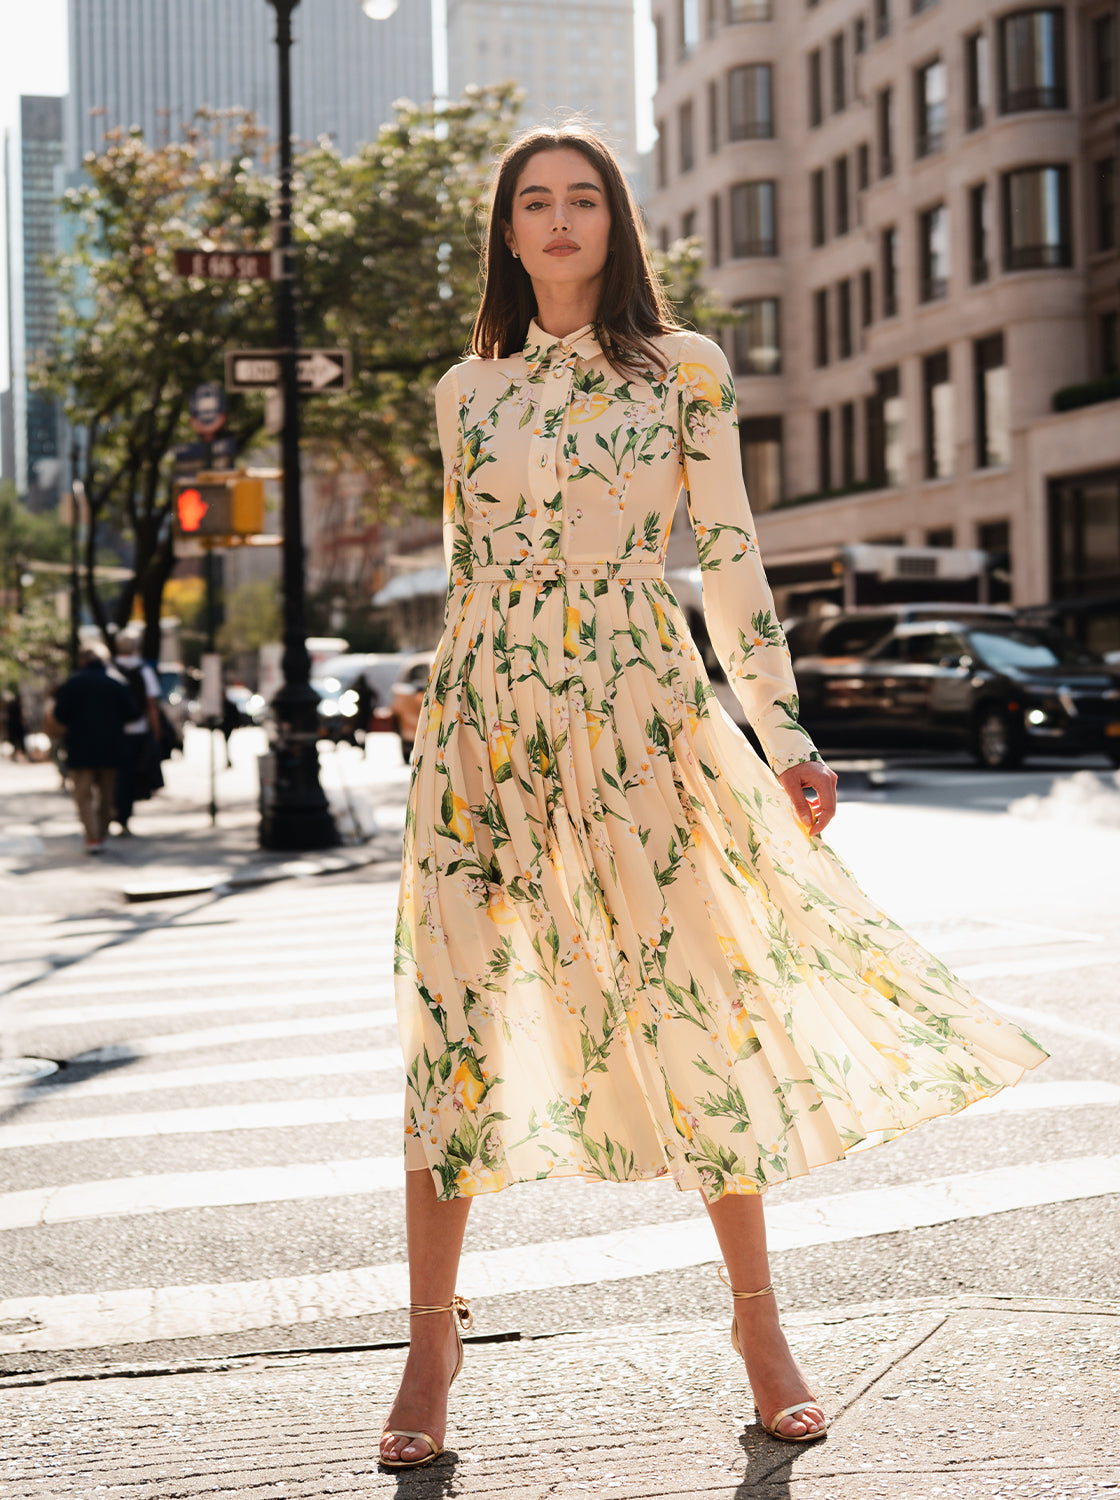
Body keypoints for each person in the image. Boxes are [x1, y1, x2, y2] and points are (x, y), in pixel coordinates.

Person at [381, 126, 1049, 1470]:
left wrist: (783, 732)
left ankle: (760, 1330)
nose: (559, 222)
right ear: (507, 234)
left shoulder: (684, 370)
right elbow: (466, 576)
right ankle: (429, 1345)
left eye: (583, 201)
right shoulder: (464, 392)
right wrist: (432, 707)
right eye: (535, 204)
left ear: (616, 226)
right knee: (450, 1020)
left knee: (697, 1009)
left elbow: (733, 562)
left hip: (640, 713)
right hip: (482, 732)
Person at [50, 643, 135, 853]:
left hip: (80, 748)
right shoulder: (116, 682)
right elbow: (133, 713)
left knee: (83, 795)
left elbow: (59, 715)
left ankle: (92, 836)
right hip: (111, 748)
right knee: (106, 795)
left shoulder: (72, 683)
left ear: (82, 660)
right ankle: (102, 834)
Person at [111, 629, 162, 833]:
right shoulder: (144, 670)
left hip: (114, 731)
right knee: (130, 775)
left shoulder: (110, 668)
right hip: (137, 730)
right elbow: (152, 705)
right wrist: (156, 730)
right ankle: (124, 817)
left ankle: (114, 810)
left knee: (115, 775)